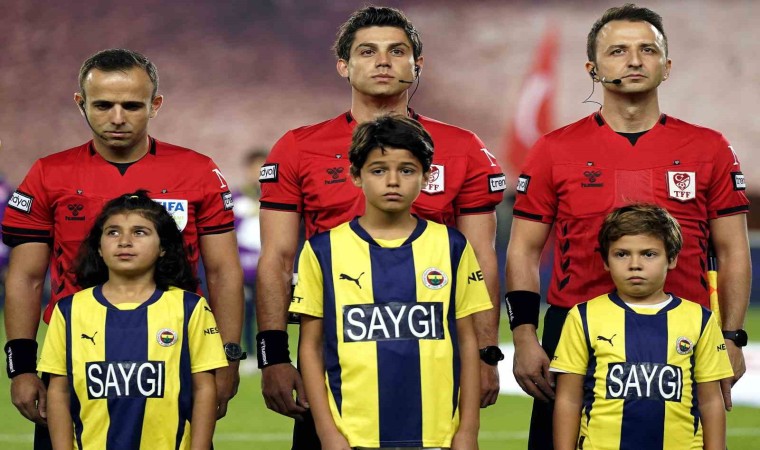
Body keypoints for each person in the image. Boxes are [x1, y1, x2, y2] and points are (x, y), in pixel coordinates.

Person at [256, 7, 506, 447]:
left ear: (417, 64)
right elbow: (277, 257)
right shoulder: (298, 147)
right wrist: (273, 354)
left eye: (397, 51)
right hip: (336, 359)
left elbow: (479, 255)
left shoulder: (463, 147)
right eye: (367, 51)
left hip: (431, 358)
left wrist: (487, 351)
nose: (384, 61)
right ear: (344, 65)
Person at [505, 4, 750, 449]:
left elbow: (733, 250)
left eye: (648, 50)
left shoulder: (709, 148)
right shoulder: (553, 150)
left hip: (683, 337)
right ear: (593, 69)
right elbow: (523, 249)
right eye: (618, 50)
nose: (634, 60)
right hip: (574, 336)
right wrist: (523, 335)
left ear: (667, 66)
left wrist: (732, 337)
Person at [2, 49, 244, 445]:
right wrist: (22, 367)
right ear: (80, 103)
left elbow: (222, 271)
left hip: (174, 355)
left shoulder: (197, 170)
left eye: (132, 105)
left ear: (155, 105)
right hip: (76, 357)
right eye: (103, 105)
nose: (117, 118)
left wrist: (229, 356)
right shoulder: (48, 173)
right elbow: (26, 277)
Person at [292, 115, 489, 449]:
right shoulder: (323, 250)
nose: (393, 181)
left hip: (436, 433)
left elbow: (468, 342)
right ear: (356, 175)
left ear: (427, 176)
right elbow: (310, 347)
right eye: (379, 170)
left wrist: (468, 431)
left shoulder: (451, 245)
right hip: (353, 434)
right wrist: (327, 433)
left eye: (407, 170)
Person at [38, 191, 228, 449]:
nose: (124, 241)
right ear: (99, 247)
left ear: (163, 247)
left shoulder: (190, 308)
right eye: (113, 232)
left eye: (139, 232)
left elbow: (204, 389)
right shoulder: (69, 310)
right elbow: (58, 391)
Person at [551, 204, 732, 450]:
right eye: (622, 254)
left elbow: (710, 402)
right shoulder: (583, 316)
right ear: (605, 261)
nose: (634, 264)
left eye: (648, 254)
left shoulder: (700, 319)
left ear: (672, 258)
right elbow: (569, 399)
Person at [232, 149, 268, 362]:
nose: (258, 174)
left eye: (263, 169)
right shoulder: (236, 198)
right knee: (245, 312)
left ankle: (272, 354)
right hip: (244, 266)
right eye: (255, 169)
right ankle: (250, 355)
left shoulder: (277, 199)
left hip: (268, 265)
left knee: (270, 312)